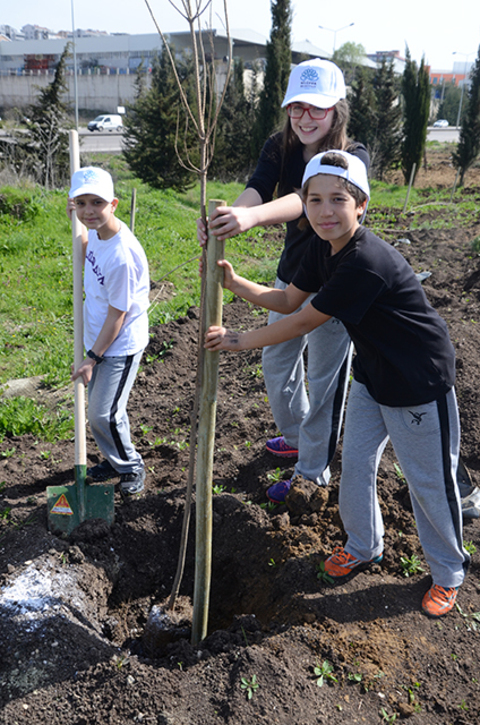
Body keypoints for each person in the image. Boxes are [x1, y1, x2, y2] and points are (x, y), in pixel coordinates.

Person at [204, 150, 469, 617]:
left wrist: (238, 339)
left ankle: (448, 573)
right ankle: (364, 546)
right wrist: (237, 284)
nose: (325, 211)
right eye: (315, 199)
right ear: (304, 203)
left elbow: (303, 323)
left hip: (417, 380)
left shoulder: (365, 260)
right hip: (371, 373)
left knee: (428, 481)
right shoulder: (318, 248)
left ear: (361, 205)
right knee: (358, 463)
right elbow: (288, 299)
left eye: (338, 200)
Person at [198, 59, 369, 502]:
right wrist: (227, 217)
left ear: (336, 111)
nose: (305, 117)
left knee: (325, 377)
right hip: (294, 271)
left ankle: (313, 472)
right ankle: (298, 435)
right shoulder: (280, 146)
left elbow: (301, 197)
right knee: (277, 362)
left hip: (337, 278)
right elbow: (259, 185)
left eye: (316, 108)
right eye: (297, 107)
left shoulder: (353, 158)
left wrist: (251, 218)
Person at [67, 167, 150, 495]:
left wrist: (92, 357)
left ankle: (130, 465)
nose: (89, 211)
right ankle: (115, 459)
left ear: (113, 203)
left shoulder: (121, 255)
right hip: (98, 338)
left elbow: (119, 314)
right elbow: (87, 247)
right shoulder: (99, 233)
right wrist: (74, 218)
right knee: (101, 411)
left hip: (118, 344)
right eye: (81, 203)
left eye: (96, 203)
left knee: (104, 413)